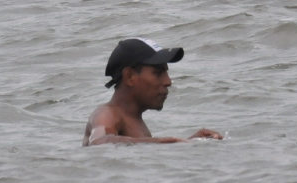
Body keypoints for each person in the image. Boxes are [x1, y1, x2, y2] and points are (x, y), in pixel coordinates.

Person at [83, 37, 223, 145]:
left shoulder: (133, 119)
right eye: (158, 73)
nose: (168, 82)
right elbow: (98, 142)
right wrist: (163, 142)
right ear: (130, 76)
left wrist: (189, 143)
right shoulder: (107, 113)